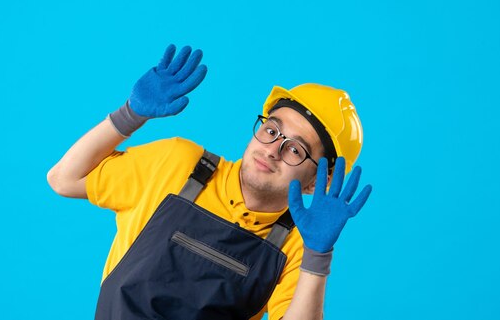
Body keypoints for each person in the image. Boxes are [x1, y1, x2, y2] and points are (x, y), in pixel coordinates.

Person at [47, 45, 372, 320]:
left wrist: (317, 257)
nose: (272, 150)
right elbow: (64, 179)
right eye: (272, 130)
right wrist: (129, 115)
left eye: (295, 149)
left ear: (317, 180)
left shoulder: (297, 243)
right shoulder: (177, 164)